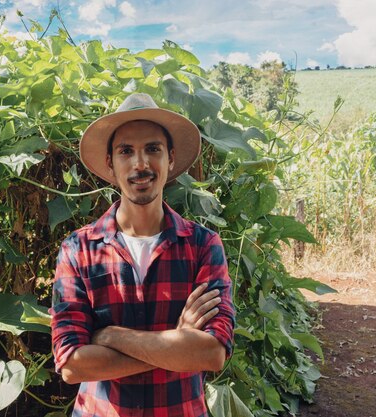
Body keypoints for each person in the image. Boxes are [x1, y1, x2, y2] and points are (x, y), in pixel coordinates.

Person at [51, 93, 236, 417]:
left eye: (153, 149)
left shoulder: (203, 246)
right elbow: (72, 365)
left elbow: (211, 354)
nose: (140, 164)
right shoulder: (78, 250)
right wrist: (176, 345)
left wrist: (110, 336)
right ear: (110, 162)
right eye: (126, 151)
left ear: (171, 159)